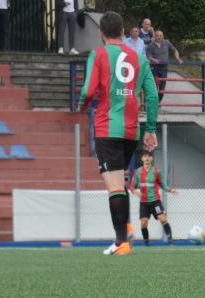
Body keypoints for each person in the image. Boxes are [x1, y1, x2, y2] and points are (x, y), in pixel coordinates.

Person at [77, 11, 159, 256]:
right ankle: (128, 229)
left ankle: (121, 242)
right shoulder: (139, 58)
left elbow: (88, 90)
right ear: (123, 32)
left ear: (101, 34)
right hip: (131, 131)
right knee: (119, 182)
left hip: (107, 127)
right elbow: (152, 95)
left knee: (113, 186)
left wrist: (81, 106)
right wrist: (151, 129)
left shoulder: (99, 54)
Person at [132, 151, 177, 245]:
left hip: (155, 201)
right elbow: (132, 186)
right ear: (142, 159)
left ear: (151, 159)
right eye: (145, 156)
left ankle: (170, 239)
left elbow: (162, 184)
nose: (147, 158)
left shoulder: (156, 171)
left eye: (149, 156)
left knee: (163, 219)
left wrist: (170, 190)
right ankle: (146, 241)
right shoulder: (138, 172)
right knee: (143, 223)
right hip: (144, 203)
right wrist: (135, 191)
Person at [146, 30, 183, 104]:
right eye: (157, 35)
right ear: (155, 36)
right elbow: (148, 56)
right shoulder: (151, 45)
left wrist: (178, 58)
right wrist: (154, 59)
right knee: (154, 87)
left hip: (164, 68)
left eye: (160, 36)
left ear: (163, 36)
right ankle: (154, 103)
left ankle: (158, 102)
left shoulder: (167, 42)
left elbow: (175, 50)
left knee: (162, 88)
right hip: (154, 68)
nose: (159, 37)